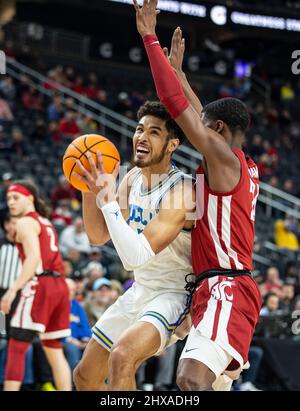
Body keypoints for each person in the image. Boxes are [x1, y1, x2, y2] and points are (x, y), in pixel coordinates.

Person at [134, 0, 262, 391]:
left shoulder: (223, 158)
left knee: (189, 383)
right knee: (208, 386)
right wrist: (179, 73)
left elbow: (177, 106)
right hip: (214, 287)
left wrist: (150, 39)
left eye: (203, 127)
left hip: (226, 285)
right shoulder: (237, 160)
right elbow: (195, 107)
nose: (193, 128)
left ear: (218, 130)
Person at [73, 100, 194, 390]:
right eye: (140, 129)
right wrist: (89, 191)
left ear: (171, 144)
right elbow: (98, 236)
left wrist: (109, 202)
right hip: (140, 289)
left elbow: (134, 258)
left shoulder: (184, 190)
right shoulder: (131, 179)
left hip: (174, 294)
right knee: (84, 376)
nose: (142, 136)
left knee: (122, 357)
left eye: (154, 132)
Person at [0, 180, 71, 391]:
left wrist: (12, 291)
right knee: (54, 349)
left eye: (16, 197)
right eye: (8, 199)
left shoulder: (24, 222)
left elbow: (33, 259)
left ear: (29, 198)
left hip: (41, 284)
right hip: (60, 285)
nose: (11, 202)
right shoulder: (46, 222)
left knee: (16, 346)